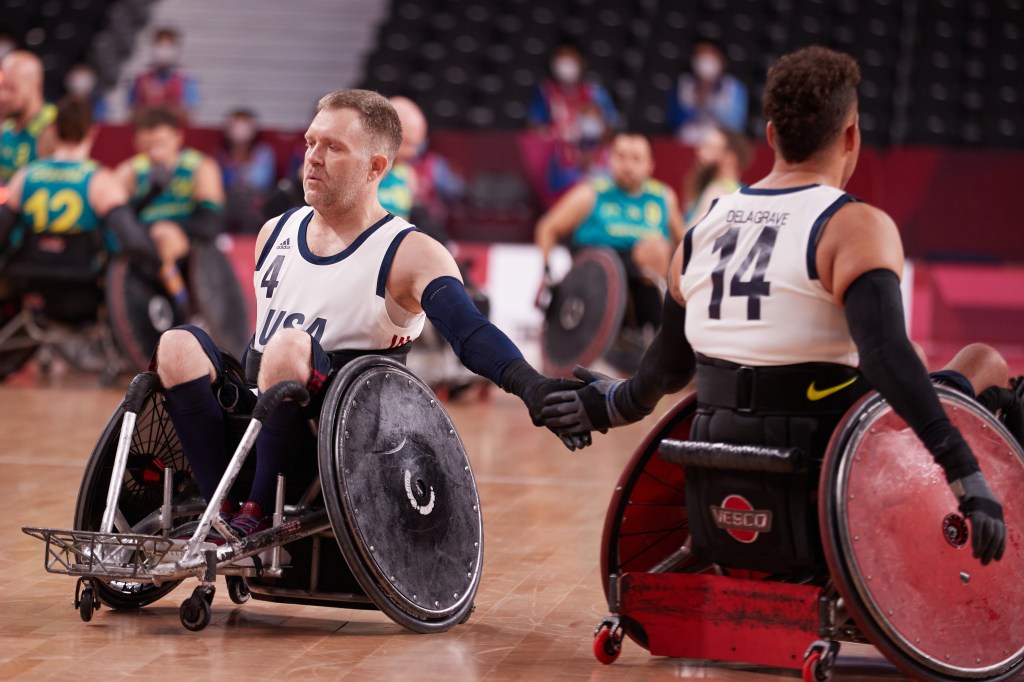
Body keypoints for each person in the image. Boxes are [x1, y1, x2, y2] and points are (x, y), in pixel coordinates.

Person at [542, 46, 1015, 567]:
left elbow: (664, 370)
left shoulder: (702, 231)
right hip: (831, 480)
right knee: (982, 363)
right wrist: (962, 470)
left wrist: (606, 406)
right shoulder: (854, 225)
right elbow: (885, 357)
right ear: (851, 135)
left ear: (771, 136)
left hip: (715, 471)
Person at [151, 89, 586, 539]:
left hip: (338, 435)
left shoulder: (410, 252)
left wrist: (529, 385)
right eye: (310, 142)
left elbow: (469, 330)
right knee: (177, 345)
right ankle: (217, 506)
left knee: (288, 347)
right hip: (258, 417)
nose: (313, 158)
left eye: (334, 147)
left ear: (376, 167)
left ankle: (258, 511)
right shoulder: (273, 233)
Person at [535, 132, 684, 336]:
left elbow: (684, 243)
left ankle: (658, 328)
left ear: (650, 165)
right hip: (597, 269)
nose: (627, 165)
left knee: (657, 249)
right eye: (621, 157)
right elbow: (547, 227)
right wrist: (546, 272)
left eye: (636, 159)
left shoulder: (663, 197)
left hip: (643, 273)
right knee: (622, 258)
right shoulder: (590, 193)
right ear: (610, 159)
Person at [0, 96, 157, 269]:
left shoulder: (25, 175)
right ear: (92, 131)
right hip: (82, 283)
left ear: (53, 130)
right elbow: (131, 239)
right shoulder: (100, 180)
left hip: (30, 279)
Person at [114, 105, 224, 315]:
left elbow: (210, 224)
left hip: (185, 242)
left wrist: (168, 227)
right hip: (142, 241)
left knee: (164, 234)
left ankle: (181, 305)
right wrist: (150, 194)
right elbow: (118, 219)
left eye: (161, 144)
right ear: (136, 143)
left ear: (177, 137)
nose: (155, 153)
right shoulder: (129, 171)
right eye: (147, 146)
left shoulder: (200, 167)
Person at [526, 44, 618, 205]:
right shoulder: (546, 91)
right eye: (561, 58)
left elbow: (610, 125)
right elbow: (534, 127)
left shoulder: (595, 92)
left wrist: (593, 155)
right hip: (559, 158)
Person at [669, 40, 749, 145]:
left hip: (723, 142)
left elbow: (736, 124)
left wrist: (711, 98)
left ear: (721, 59)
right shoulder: (684, 84)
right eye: (700, 54)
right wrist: (695, 101)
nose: (705, 59)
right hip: (688, 142)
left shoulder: (734, 87)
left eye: (710, 54)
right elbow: (673, 119)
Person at [0, 51, 56, 183]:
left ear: (36, 88)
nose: (3, 96)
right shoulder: (7, 124)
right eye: (2, 87)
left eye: (12, 89)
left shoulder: (53, 127)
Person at [217, 108, 276, 233]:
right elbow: (219, 183)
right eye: (236, 125)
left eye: (244, 125)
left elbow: (263, 181)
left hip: (254, 199)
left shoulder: (264, 153)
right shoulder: (221, 156)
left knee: (249, 206)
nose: (240, 130)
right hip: (228, 198)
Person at [683, 126, 753, 226]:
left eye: (709, 147)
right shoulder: (741, 191)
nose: (699, 153)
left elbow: (693, 235)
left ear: (730, 159)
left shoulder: (717, 191)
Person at [127, 27, 199, 121]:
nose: (163, 50)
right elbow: (133, 114)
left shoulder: (186, 78)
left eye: (168, 46)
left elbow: (189, 115)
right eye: (159, 45)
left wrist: (154, 109)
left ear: (176, 49)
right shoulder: (140, 78)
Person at [377, 96, 421, 220]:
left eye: (417, 145)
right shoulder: (357, 171)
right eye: (407, 143)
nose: (414, 153)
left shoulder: (408, 175)